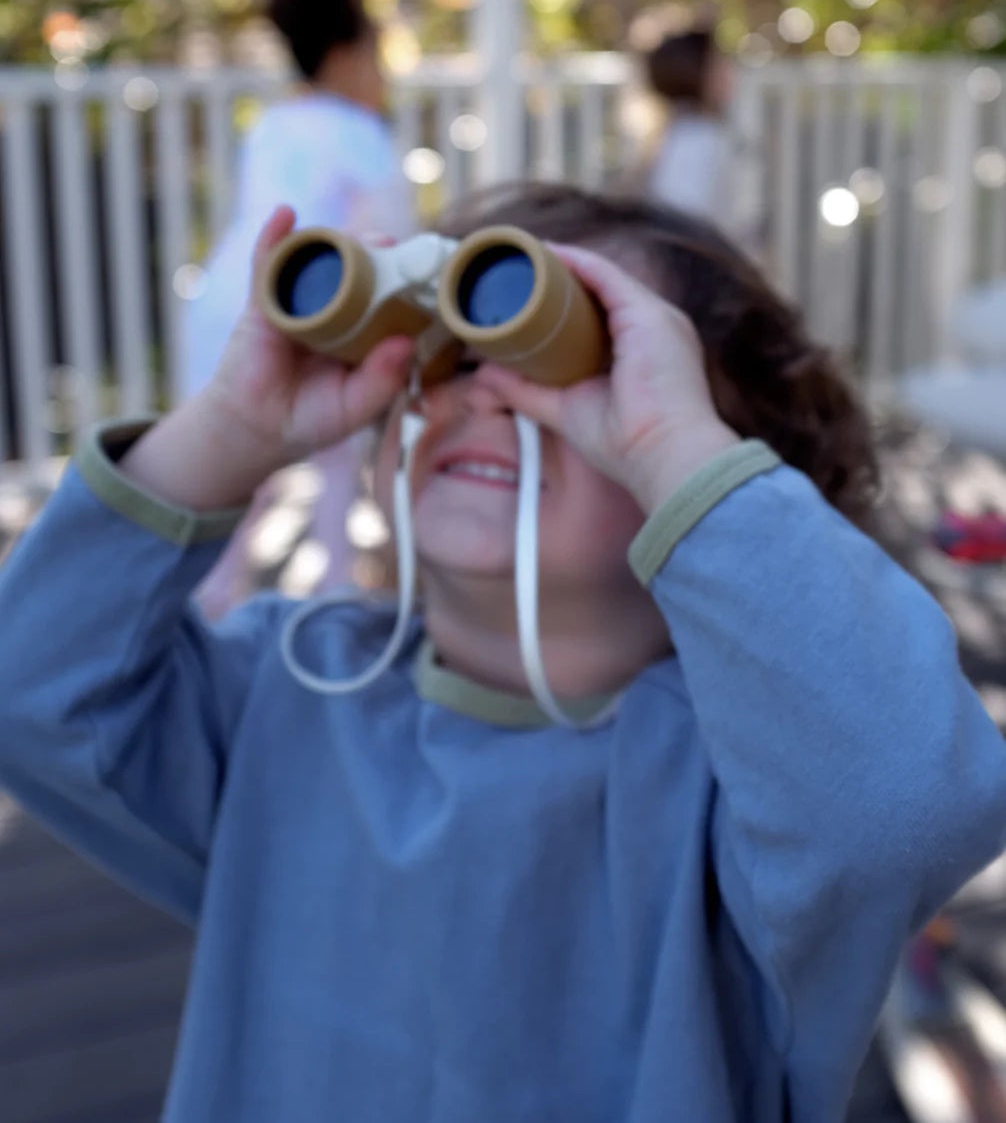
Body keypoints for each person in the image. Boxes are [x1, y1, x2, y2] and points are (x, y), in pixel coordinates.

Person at [0, 181, 1004, 1123]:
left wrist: (669, 445)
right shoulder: (287, 690)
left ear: (725, 475)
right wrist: (230, 429)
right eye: (452, 357)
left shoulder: (746, 803)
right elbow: (30, 686)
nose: (486, 396)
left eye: (581, 365)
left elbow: (907, 796)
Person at [184, 0, 410, 610]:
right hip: (305, 301)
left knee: (234, 464)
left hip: (228, 293)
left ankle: (213, 599)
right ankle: (332, 599)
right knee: (334, 460)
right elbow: (389, 233)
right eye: (375, 54)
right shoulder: (359, 133)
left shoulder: (272, 124)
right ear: (345, 55)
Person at [642, 20, 734, 221]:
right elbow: (684, 221)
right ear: (696, 72)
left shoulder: (683, 132)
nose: (730, 72)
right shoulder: (696, 139)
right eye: (718, 64)